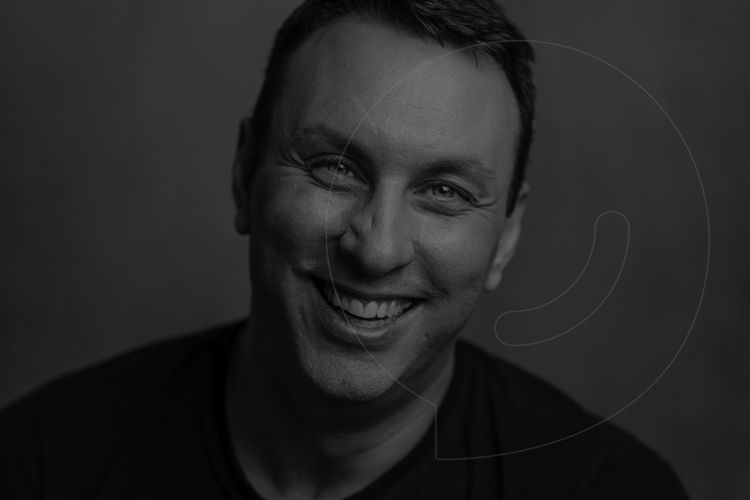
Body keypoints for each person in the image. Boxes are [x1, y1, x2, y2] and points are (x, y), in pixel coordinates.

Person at [0, 0, 690, 498]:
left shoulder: (609, 489)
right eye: (335, 167)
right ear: (244, 175)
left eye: (444, 191)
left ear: (506, 235)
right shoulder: (43, 462)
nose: (377, 249)